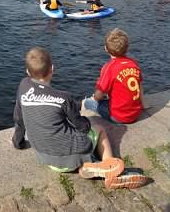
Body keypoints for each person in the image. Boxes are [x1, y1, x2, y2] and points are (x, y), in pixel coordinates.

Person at [12, 47, 148, 189]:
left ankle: (89, 165)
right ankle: (109, 165)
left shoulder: (23, 86)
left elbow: (18, 118)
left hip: (45, 158)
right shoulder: (63, 97)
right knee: (99, 129)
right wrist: (87, 123)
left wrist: (18, 141)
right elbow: (83, 126)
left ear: (28, 72)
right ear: (52, 69)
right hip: (69, 157)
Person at [82, 28, 144, 125]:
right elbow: (140, 88)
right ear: (127, 48)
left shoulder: (109, 68)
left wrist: (94, 98)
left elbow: (99, 95)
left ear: (106, 49)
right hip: (136, 114)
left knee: (87, 102)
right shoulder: (134, 64)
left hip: (118, 117)